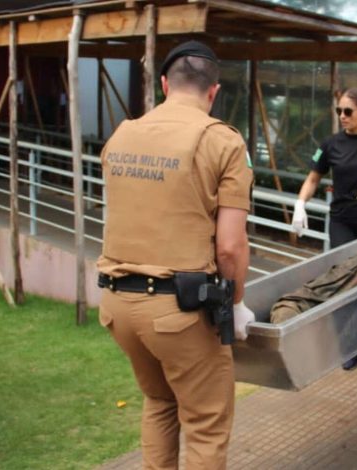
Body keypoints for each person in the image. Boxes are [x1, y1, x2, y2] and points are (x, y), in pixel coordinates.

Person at [96, 41, 255, 470]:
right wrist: (237, 303)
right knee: (205, 422)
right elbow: (230, 245)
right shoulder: (222, 141)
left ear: (164, 84)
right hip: (178, 312)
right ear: (213, 91)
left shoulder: (122, 133)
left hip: (117, 306)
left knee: (160, 402)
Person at [291, 87, 357, 370]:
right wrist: (300, 204)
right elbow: (313, 178)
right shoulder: (331, 144)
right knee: (346, 283)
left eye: (348, 111)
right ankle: (355, 345)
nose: (342, 116)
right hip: (342, 220)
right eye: (339, 111)